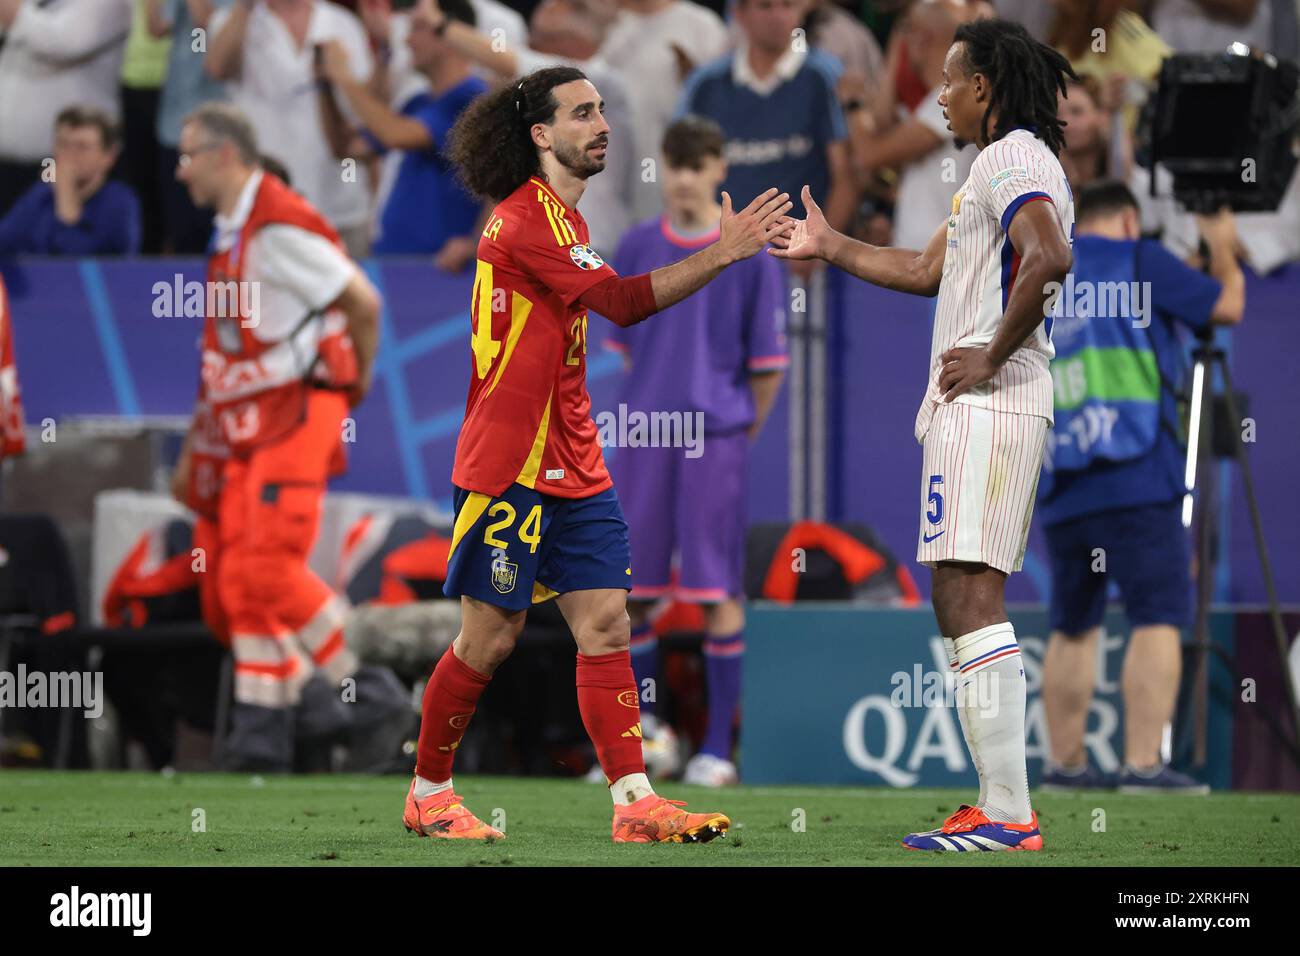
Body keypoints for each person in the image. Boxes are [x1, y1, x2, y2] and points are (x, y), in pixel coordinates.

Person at [405, 66, 793, 842]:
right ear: (541, 135)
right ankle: (429, 791)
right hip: (509, 464)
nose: (603, 124)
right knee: (490, 638)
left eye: (604, 110)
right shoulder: (527, 221)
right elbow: (620, 303)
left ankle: (635, 803)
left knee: (609, 624)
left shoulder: (569, 223)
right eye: (583, 113)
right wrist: (723, 253)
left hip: (575, 463)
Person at [771, 18, 1076, 852]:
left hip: (991, 403)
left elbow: (1047, 257)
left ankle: (1010, 812)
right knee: (958, 589)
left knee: (971, 590)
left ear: (985, 86)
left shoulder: (1012, 155)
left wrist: (988, 355)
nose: (936, 95)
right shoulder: (998, 165)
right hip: (981, 405)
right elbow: (925, 270)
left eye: (948, 79)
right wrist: (830, 244)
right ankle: (997, 804)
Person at [171, 102, 407, 771]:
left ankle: (370, 697)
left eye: (188, 155)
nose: (179, 171)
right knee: (239, 582)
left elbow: (362, 300)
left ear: (224, 154)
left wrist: (352, 383)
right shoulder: (233, 228)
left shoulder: (274, 226)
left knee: (268, 570)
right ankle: (271, 728)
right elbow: (223, 357)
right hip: (254, 423)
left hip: (297, 412)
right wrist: (198, 444)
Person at [1038, 180, 1244, 795]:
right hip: (1138, 477)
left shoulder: (1047, 269)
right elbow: (1226, 307)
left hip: (1062, 479)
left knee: (1073, 625)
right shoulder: (1141, 262)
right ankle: (1142, 767)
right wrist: (1224, 248)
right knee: (1156, 616)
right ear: (1130, 220)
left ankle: (1064, 768)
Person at [602, 115, 787, 787]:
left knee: (716, 591)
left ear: (719, 168)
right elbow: (625, 348)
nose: (682, 179)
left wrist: (738, 433)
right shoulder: (637, 242)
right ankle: (649, 743)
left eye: (695, 164)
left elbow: (768, 366)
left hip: (714, 438)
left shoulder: (752, 256)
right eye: (673, 165)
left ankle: (716, 749)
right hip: (646, 438)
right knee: (632, 593)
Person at [676, 0, 856, 279]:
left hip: (800, 265)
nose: (778, 16)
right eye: (765, 6)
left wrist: (821, 248)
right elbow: (684, 171)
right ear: (739, 14)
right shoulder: (706, 85)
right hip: (723, 263)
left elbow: (846, 174)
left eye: (787, 5)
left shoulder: (823, 77)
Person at [316, 0, 487, 259]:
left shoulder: (473, 100)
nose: (407, 41)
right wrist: (325, 86)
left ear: (450, 36)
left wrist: (344, 78)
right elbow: (348, 148)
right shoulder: (418, 102)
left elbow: (395, 134)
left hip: (442, 271)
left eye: (417, 29)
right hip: (394, 262)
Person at [206, 0, 376, 258]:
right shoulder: (233, 20)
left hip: (339, 201)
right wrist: (245, 6)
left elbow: (369, 107)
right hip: (266, 206)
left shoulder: (342, 23)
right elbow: (216, 68)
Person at [0, 0, 132, 215]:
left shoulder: (107, 4)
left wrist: (11, 10)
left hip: (61, 165)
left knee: (59, 238)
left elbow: (59, 43)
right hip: (8, 163)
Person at [0, 106, 142, 256]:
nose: (70, 155)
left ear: (109, 156)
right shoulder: (41, 195)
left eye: (82, 147)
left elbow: (77, 266)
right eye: (63, 144)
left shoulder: (119, 201)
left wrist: (65, 193)